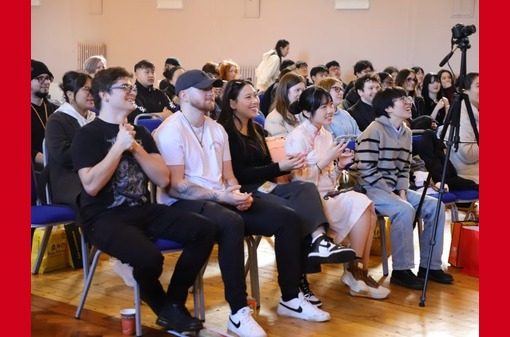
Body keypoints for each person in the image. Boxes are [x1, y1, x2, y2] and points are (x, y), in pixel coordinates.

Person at [154, 70, 331, 336]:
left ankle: (291, 297)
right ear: (182, 96)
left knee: (288, 218)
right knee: (231, 223)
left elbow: (229, 176)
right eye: (202, 89)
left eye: (211, 88)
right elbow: (177, 186)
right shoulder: (171, 131)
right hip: (185, 202)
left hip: (221, 197)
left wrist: (236, 194)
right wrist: (221, 196)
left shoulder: (216, 129)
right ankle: (238, 311)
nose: (210, 92)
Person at [71, 67, 216, 333]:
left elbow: (162, 179)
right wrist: (117, 147)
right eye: (124, 87)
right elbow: (91, 186)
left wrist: (135, 146)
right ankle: (164, 307)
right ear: (104, 94)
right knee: (149, 258)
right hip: (101, 216)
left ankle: (173, 304)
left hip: (142, 209)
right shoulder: (87, 135)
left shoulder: (141, 133)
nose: (132, 91)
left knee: (204, 229)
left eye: (131, 86)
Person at [217, 79, 356, 306]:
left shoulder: (256, 129)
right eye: (248, 97)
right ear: (232, 103)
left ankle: (319, 239)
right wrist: (280, 168)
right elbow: (240, 174)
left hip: (265, 186)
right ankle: (296, 286)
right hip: (241, 192)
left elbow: (266, 171)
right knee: (293, 213)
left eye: (255, 95)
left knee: (304, 188)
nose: (255, 101)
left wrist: (288, 169)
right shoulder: (226, 132)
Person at [285, 86, 390, 300]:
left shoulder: (325, 134)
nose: (330, 110)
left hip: (327, 195)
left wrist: (340, 166)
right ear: (307, 112)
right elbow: (299, 183)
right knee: (360, 204)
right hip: (309, 202)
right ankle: (354, 272)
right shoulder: (297, 137)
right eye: (323, 107)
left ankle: (358, 269)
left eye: (330, 105)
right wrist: (327, 159)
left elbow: (330, 180)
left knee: (367, 206)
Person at [353, 87, 454, 290]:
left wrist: (401, 191)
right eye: (401, 100)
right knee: (404, 209)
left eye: (407, 98)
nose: (408, 102)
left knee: (436, 206)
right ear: (389, 108)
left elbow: (404, 167)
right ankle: (401, 270)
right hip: (371, 188)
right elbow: (365, 169)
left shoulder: (406, 132)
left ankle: (429, 266)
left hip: (394, 189)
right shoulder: (373, 130)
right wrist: (392, 194)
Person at [45, 71, 95, 208]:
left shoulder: (95, 118)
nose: (92, 93)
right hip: (68, 181)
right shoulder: (57, 120)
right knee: (100, 199)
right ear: (70, 94)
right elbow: (64, 156)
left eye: (93, 89)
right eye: (86, 89)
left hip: (95, 174)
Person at [444, 72, 479, 184]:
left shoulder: (476, 110)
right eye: (479, 86)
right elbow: (466, 153)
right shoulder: (463, 113)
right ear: (465, 90)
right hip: (467, 172)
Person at [31, 59, 59, 171]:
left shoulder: (56, 109)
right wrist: (45, 159)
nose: (46, 82)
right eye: (40, 78)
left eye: (48, 78)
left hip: (57, 168)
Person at [264, 72, 306, 137]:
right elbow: (283, 144)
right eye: (297, 90)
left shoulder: (303, 113)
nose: (301, 94)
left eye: (303, 91)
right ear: (285, 91)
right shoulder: (274, 118)